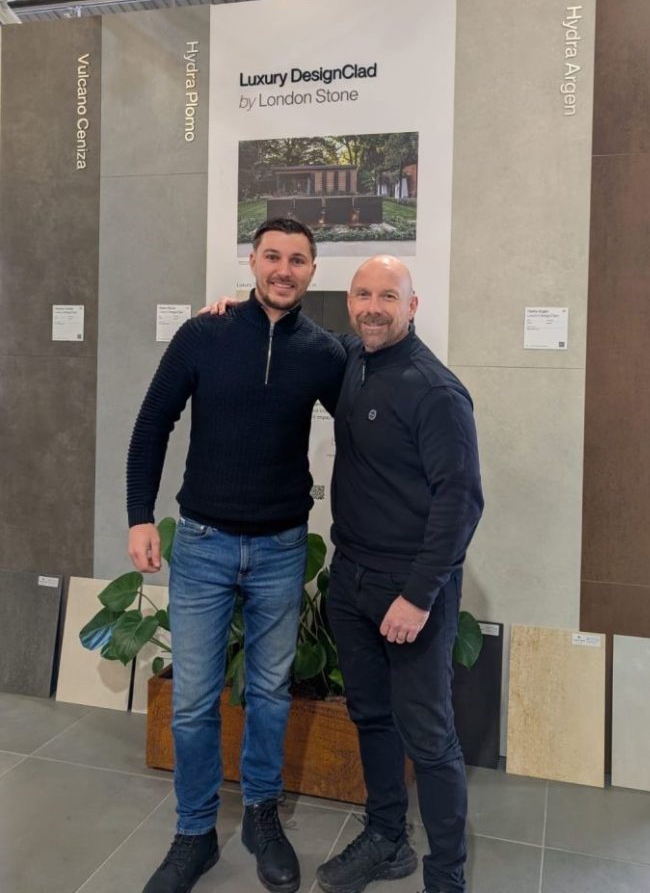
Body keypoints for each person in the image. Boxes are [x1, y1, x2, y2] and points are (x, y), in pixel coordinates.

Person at [126, 218, 346, 893]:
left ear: (312, 272)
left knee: (270, 694)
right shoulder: (204, 335)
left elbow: (368, 425)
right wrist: (140, 517)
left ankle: (259, 814)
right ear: (253, 262)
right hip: (201, 545)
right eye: (273, 256)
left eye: (298, 260)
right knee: (192, 701)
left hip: (282, 548)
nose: (284, 269)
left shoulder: (323, 353)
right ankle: (194, 833)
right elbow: (152, 422)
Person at [317, 255, 484, 893]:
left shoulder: (434, 390)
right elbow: (296, 330)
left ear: (412, 306)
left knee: (430, 735)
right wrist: (233, 306)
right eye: (363, 294)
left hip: (411, 592)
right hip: (352, 578)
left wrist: (417, 597)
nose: (373, 307)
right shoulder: (354, 360)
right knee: (371, 716)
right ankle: (387, 840)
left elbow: (460, 502)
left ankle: (446, 876)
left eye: (389, 296)